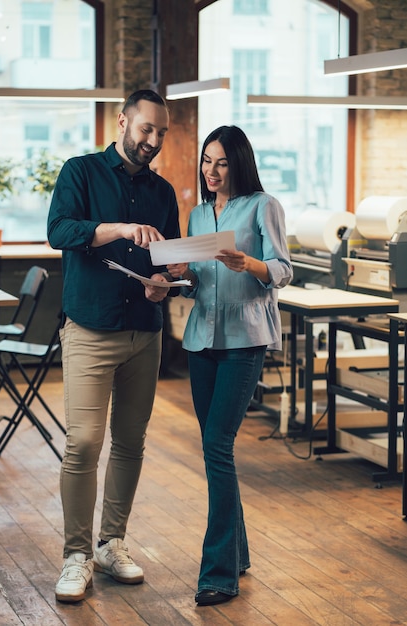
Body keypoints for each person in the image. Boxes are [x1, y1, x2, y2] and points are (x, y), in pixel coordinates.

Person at [47, 89, 180, 603]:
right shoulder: (79, 172)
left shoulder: (163, 191)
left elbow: (166, 256)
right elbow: (59, 230)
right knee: (82, 443)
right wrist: (118, 229)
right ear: (123, 121)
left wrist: (165, 279)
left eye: (162, 133)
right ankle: (76, 554)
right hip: (89, 329)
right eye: (147, 129)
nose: (154, 140)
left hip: (144, 330)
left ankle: (110, 542)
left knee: (130, 441)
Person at [166, 125, 293, 606]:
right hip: (202, 340)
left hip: (245, 340)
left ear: (238, 162)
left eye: (221, 162)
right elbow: (201, 284)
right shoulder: (199, 214)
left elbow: (282, 269)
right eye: (206, 161)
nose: (211, 171)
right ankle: (236, 552)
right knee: (214, 446)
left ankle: (219, 573)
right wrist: (181, 276)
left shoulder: (264, 206)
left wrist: (249, 264)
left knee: (218, 445)